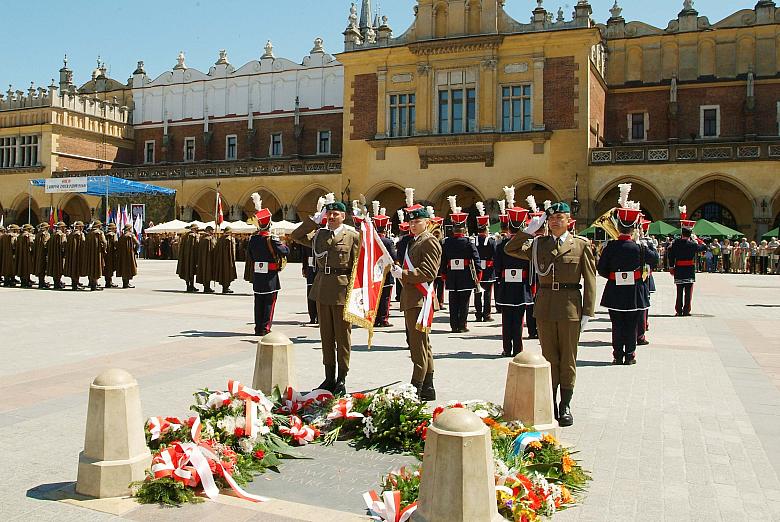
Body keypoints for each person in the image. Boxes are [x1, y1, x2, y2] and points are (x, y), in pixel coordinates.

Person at [505, 201, 597, 427]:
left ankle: (565, 404)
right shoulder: (539, 244)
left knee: (568, 358)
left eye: (560, 218)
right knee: (549, 358)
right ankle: (550, 402)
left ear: (569, 221)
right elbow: (510, 249)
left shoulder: (580, 245)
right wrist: (527, 230)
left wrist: (587, 311)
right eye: (552, 218)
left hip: (570, 306)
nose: (555, 221)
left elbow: (590, 280)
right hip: (545, 306)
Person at [291, 195, 359, 395]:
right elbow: (296, 235)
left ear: (343, 216)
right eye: (328, 214)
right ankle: (329, 377)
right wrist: (314, 219)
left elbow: (357, 265)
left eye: (334, 214)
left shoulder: (352, 236)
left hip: (342, 289)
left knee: (342, 336)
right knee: (326, 336)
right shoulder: (320, 235)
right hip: (322, 288)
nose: (331, 217)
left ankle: (342, 377)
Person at [597, 203, 659, 365]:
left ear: (617, 226)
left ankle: (617, 355)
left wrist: (615, 277)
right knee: (631, 325)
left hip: (615, 290)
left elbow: (601, 269)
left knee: (617, 325)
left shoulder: (610, 247)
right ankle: (630, 356)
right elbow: (655, 260)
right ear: (634, 228)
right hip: (634, 291)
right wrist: (643, 243)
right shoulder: (639, 247)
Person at [391, 206, 442, 400]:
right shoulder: (415, 241)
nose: (413, 225)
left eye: (417, 222)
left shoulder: (428, 242)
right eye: (410, 222)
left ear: (427, 222)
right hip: (413, 298)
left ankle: (416, 386)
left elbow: (429, 273)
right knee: (423, 344)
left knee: (417, 345)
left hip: (420, 300)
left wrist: (403, 274)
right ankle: (428, 387)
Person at [245, 198, 289, 336]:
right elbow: (285, 251)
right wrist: (282, 241)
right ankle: (265, 328)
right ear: (269, 224)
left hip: (258, 275)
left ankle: (258, 328)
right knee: (270, 303)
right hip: (270, 276)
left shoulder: (253, 239)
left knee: (258, 302)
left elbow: (250, 255)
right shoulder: (272, 239)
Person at [494, 207, 533, 357]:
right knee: (518, 320)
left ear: (509, 227)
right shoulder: (527, 245)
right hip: (522, 285)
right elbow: (531, 269)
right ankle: (518, 348)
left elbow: (497, 267)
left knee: (506, 320)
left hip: (505, 285)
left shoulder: (500, 245)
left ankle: (506, 349)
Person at [441, 198, 480, 333]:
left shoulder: (446, 242)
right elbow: (476, 259)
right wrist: (478, 275)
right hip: (465, 275)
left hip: (452, 275)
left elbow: (443, 260)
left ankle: (453, 325)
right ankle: (462, 325)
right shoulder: (469, 242)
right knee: (464, 302)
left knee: (453, 302)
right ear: (464, 227)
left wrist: (444, 274)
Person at [667, 224, 706, 316]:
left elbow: (670, 255)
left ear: (682, 234)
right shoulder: (693, 244)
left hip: (679, 269)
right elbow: (704, 247)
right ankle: (686, 310)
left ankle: (678, 310)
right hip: (689, 269)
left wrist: (671, 267)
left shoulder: (675, 243)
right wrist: (697, 239)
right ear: (690, 235)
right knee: (688, 292)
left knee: (679, 291)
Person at [373, 213, 397, 328]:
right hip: (386, 273)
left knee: (375, 296)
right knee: (385, 297)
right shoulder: (388, 241)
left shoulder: (371, 241)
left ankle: (374, 318)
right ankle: (383, 319)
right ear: (386, 228)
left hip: (374, 272)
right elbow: (394, 257)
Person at [473, 205, 496, 322]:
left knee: (477, 293)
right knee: (487, 294)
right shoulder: (491, 241)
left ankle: (478, 314)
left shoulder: (473, 241)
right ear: (486, 228)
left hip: (477, 271)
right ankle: (486, 315)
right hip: (488, 270)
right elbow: (495, 255)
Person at [83, 221, 108, 291]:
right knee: (96, 267)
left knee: (91, 267)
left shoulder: (88, 233)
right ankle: (94, 285)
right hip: (97, 253)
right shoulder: (100, 233)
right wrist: (104, 250)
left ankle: (92, 284)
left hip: (89, 253)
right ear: (98, 226)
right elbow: (104, 242)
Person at [176, 224, 200, 292]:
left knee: (187, 270)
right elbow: (196, 246)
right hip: (192, 257)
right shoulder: (194, 236)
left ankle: (188, 286)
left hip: (185, 257)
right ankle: (191, 286)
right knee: (191, 271)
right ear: (194, 229)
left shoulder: (184, 236)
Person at [116, 224, 140, 288]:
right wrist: (135, 250)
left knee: (123, 267)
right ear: (129, 229)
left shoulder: (121, 237)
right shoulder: (131, 235)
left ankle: (125, 283)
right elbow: (137, 243)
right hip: (129, 254)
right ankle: (127, 283)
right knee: (129, 267)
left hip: (122, 255)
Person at [215, 226, 238, 294]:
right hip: (228, 260)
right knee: (227, 273)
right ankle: (226, 288)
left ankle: (224, 287)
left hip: (221, 260)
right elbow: (231, 251)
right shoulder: (229, 239)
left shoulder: (220, 239)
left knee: (223, 273)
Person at [300, 243, 318, 325]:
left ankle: (319, 317)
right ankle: (312, 317)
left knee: (319, 294)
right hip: (310, 269)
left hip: (320, 268)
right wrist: (304, 268)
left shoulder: (323, 236)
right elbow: (304, 255)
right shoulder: (307, 239)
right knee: (310, 294)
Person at [65, 221, 86, 291]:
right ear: (79, 227)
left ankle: (74, 284)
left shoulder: (71, 234)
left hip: (71, 255)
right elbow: (83, 243)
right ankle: (76, 285)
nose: (82, 228)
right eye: (82, 227)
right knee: (77, 268)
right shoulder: (80, 234)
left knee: (73, 268)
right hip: (79, 254)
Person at [47, 222, 68, 290]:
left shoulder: (52, 235)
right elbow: (64, 244)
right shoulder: (62, 235)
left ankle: (56, 283)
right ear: (62, 227)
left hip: (53, 255)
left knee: (54, 268)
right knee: (59, 268)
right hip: (59, 255)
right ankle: (58, 283)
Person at [196, 226, 217, 293]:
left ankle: (206, 287)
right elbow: (213, 247)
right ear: (209, 231)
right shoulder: (209, 239)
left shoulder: (202, 238)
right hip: (209, 259)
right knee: (208, 272)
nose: (213, 231)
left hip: (202, 259)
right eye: (212, 230)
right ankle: (207, 288)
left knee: (205, 272)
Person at [15, 224, 36, 288]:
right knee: (26, 267)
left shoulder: (19, 236)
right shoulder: (28, 236)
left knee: (21, 267)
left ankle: (23, 282)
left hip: (20, 254)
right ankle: (26, 282)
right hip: (27, 254)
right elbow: (31, 244)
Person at [33, 223, 51, 289]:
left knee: (40, 267)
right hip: (43, 253)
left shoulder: (37, 234)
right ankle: (42, 283)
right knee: (43, 267)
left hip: (38, 253)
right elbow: (45, 244)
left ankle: (41, 282)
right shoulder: (46, 234)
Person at [104, 223, 119, 288]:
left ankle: (107, 282)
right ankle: (109, 282)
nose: (116, 229)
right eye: (115, 228)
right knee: (110, 267)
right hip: (112, 254)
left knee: (107, 268)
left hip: (105, 254)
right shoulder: (113, 235)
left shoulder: (105, 234)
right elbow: (116, 242)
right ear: (113, 228)